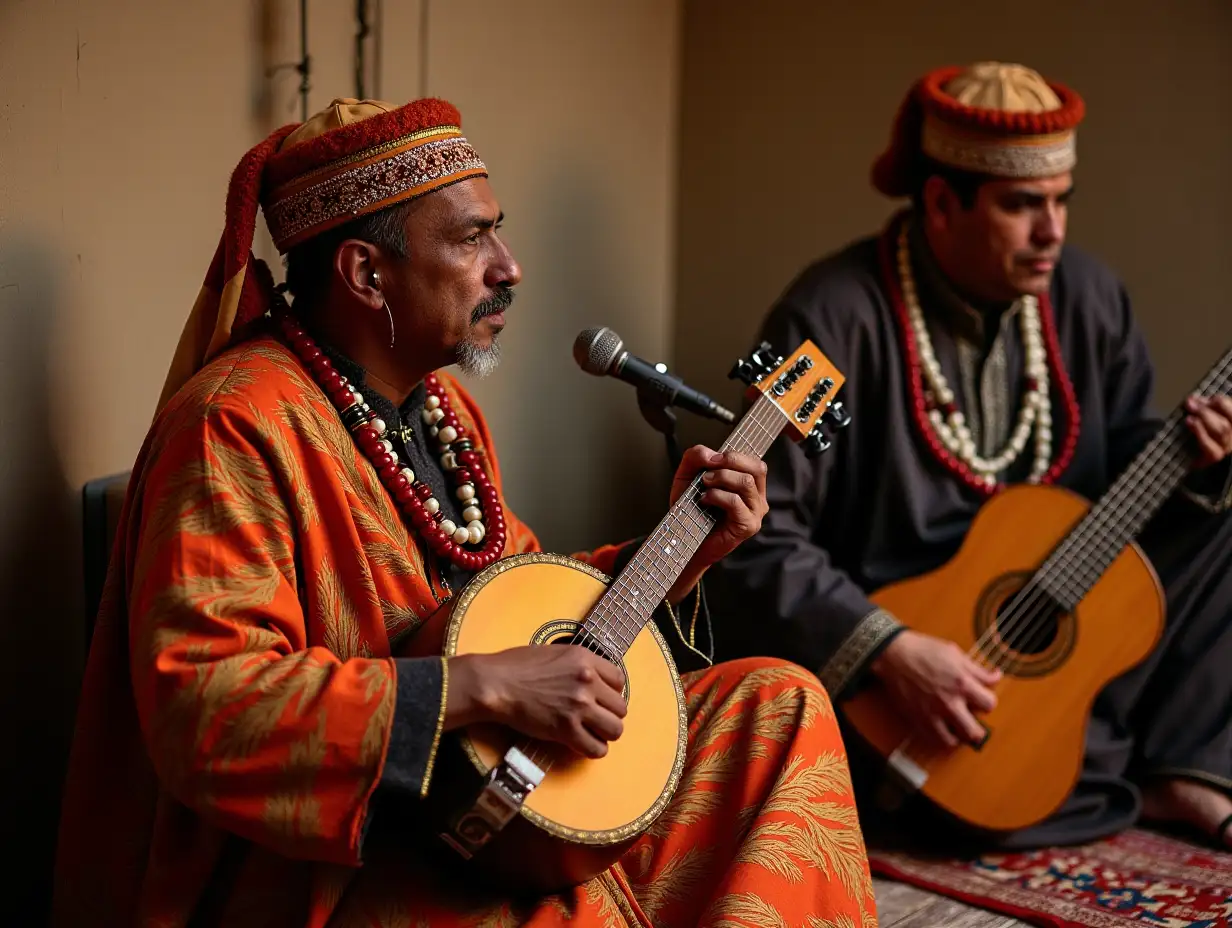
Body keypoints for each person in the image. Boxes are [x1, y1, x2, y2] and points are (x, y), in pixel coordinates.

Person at [51, 97, 876, 926]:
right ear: (368, 275)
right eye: (472, 239)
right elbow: (208, 710)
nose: (508, 266)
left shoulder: (445, 412)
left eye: (497, 233)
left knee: (779, 703)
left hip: (499, 803)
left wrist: (683, 550)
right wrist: (475, 688)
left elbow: (522, 605)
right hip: (348, 863)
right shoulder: (234, 423)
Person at [710, 62, 1232, 851]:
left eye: (1061, 202)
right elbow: (756, 531)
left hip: (1050, 616)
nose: (1052, 231)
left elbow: (1122, 455)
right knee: (940, 795)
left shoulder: (1090, 297)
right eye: (1024, 206)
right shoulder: (830, 319)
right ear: (941, 203)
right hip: (903, 667)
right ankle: (1083, 772)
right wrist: (892, 649)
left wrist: (1196, 461)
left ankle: (1177, 768)